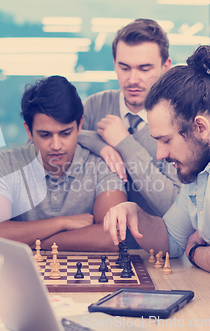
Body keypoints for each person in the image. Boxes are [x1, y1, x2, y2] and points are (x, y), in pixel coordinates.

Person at [103, 45, 210, 277]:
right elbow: (173, 240)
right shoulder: (198, 167)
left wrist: (194, 251)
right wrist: (135, 213)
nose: (160, 154)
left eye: (166, 140)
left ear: (200, 127)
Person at [0, 76, 127, 251]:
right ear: (28, 131)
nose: (56, 145)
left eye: (65, 133)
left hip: (86, 278)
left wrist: (34, 241)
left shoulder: (104, 164)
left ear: (79, 126)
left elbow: (113, 237)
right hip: (19, 275)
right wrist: (62, 223)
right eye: (45, 135)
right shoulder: (5, 163)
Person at [78, 19, 180, 250]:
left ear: (166, 66)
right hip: (98, 247)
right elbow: (56, 139)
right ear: (114, 63)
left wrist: (124, 143)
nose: (133, 79)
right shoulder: (96, 105)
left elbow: (175, 206)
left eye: (145, 69)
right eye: (124, 68)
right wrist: (97, 142)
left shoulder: (178, 118)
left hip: (159, 252)